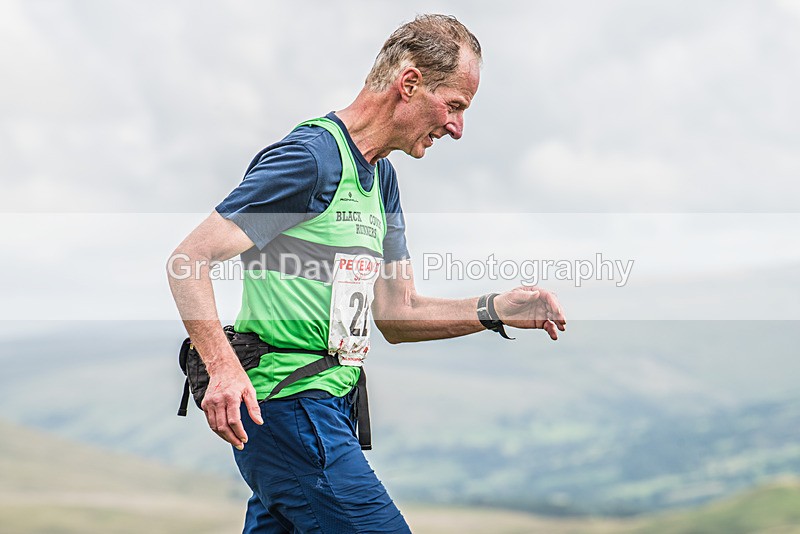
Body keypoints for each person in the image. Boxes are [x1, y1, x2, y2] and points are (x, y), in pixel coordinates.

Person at [168, 13, 566, 533]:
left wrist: (495, 310)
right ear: (409, 83)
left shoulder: (382, 182)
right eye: (455, 106)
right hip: (288, 406)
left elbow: (397, 314)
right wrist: (221, 366)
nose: (458, 129)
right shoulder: (310, 162)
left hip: (333, 407)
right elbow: (188, 261)